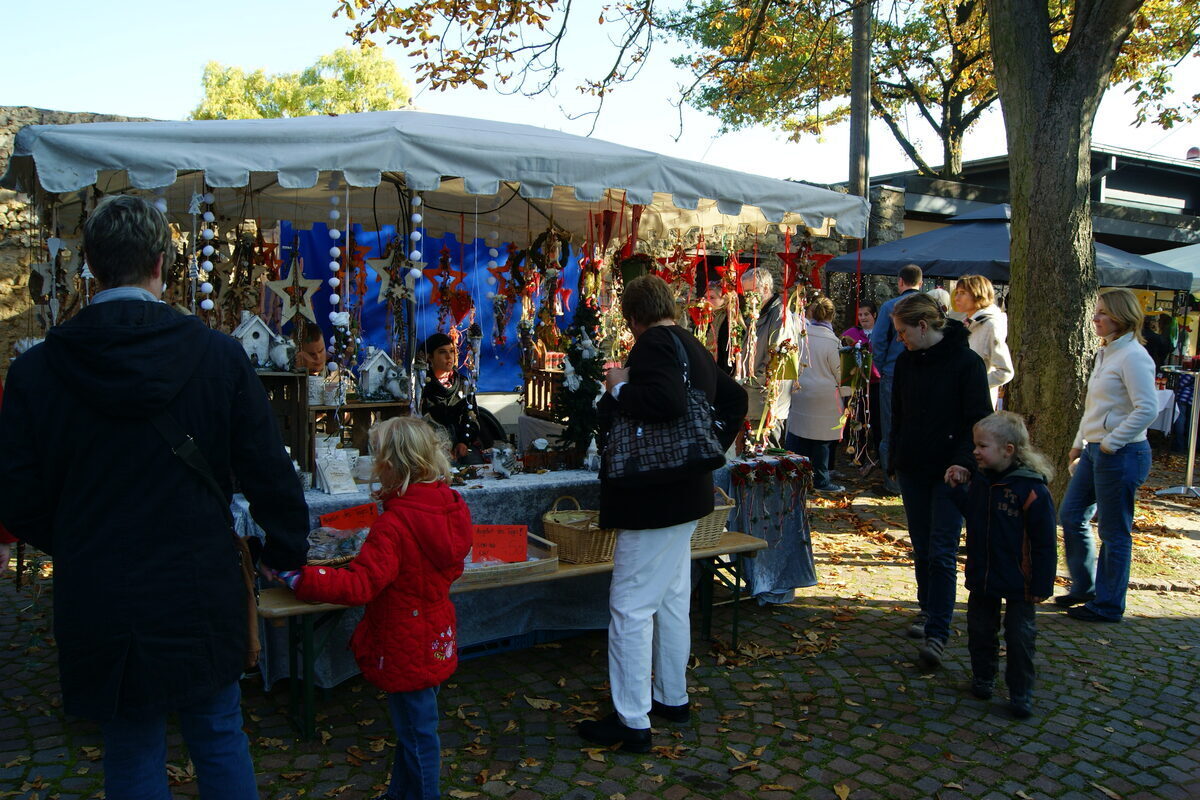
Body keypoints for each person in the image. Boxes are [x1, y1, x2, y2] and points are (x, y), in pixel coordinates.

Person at [0, 195, 309, 799]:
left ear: (90, 265)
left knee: (132, 745)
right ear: (161, 263)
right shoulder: (218, 356)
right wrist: (284, 552)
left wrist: (76, 540)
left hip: (100, 584)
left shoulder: (36, 371)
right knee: (216, 734)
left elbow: (17, 495)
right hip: (196, 579)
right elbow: (270, 471)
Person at [580, 275, 745, 753]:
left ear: (633, 318)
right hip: (688, 494)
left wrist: (618, 389)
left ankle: (632, 720)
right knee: (671, 599)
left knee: (631, 606)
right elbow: (734, 399)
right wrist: (707, 447)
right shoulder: (691, 344)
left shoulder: (653, 344)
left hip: (653, 497)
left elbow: (666, 401)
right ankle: (672, 697)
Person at [283, 416, 473, 800]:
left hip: (405, 639)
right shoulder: (450, 505)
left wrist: (301, 579)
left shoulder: (395, 523)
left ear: (389, 465)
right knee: (414, 729)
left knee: (418, 734)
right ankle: (401, 793)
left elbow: (361, 584)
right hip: (434, 632)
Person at [888, 292, 993, 670]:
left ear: (922, 326)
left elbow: (977, 419)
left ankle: (938, 631)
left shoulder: (966, 363)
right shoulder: (906, 361)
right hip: (913, 467)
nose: (900, 338)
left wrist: (965, 462)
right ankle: (928, 608)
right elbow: (899, 414)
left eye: (903, 331)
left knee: (942, 550)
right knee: (921, 544)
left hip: (951, 472)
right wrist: (894, 456)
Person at [945, 412, 1056, 719]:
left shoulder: (1031, 489)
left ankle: (1020, 692)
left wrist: (1041, 583)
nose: (975, 452)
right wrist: (956, 489)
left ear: (1008, 450)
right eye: (975, 445)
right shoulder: (982, 481)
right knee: (980, 629)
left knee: (1020, 637)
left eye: (982, 446)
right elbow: (973, 514)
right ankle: (983, 677)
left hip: (1021, 579)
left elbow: (1045, 541)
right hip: (984, 574)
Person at [1057, 288, 1157, 623]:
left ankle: (1109, 604)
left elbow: (1147, 409)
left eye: (1102, 312)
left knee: (1114, 533)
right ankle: (1085, 588)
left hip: (1122, 453)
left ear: (1121, 316)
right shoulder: (1106, 353)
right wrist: (1080, 442)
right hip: (1096, 450)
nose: (1095, 318)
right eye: (1096, 311)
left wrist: (1111, 442)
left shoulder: (1133, 356)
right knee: (1072, 515)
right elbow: (1094, 407)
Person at [786, 296, 848, 492]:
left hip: (802, 391)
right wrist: (848, 394)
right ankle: (820, 480)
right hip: (825, 397)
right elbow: (840, 374)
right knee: (822, 441)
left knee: (801, 436)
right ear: (832, 315)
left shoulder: (800, 336)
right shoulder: (832, 342)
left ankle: (797, 476)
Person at [871, 264, 923, 493]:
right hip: (923, 372)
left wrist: (881, 368)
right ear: (920, 283)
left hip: (893, 372)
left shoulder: (890, 307)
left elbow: (878, 341)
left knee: (891, 428)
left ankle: (893, 483)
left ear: (900, 282)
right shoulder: (929, 306)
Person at [420, 332, 493, 463]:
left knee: (473, 463)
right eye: (442, 352)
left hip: (462, 444)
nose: (449, 356)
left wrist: (464, 442)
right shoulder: (422, 385)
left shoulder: (463, 383)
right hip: (431, 446)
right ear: (430, 357)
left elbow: (472, 416)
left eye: (452, 351)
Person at [741, 267, 794, 446]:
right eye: (745, 293)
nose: (747, 297)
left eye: (750, 291)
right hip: (752, 398)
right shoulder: (757, 313)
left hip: (767, 401)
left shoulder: (780, 315)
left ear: (765, 288)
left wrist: (750, 382)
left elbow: (776, 358)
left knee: (766, 453)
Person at [953, 275, 1015, 409]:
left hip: (978, 407)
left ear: (978, 295)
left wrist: (973, 383)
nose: (956, 298)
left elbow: (1005, 371)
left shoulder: (990, 326)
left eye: (962, 293)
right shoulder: (968, 323)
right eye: (957, 293)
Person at [841, 301, 882, 470]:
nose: (863, 318)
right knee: (857, 420)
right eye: (860, 315)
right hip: (857, 384)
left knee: (877, 421)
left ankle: (880, 457)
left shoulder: (880, 333)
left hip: (876, 383)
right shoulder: (852, 333)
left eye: (866, 314)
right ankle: (857, 456)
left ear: (874, 315)